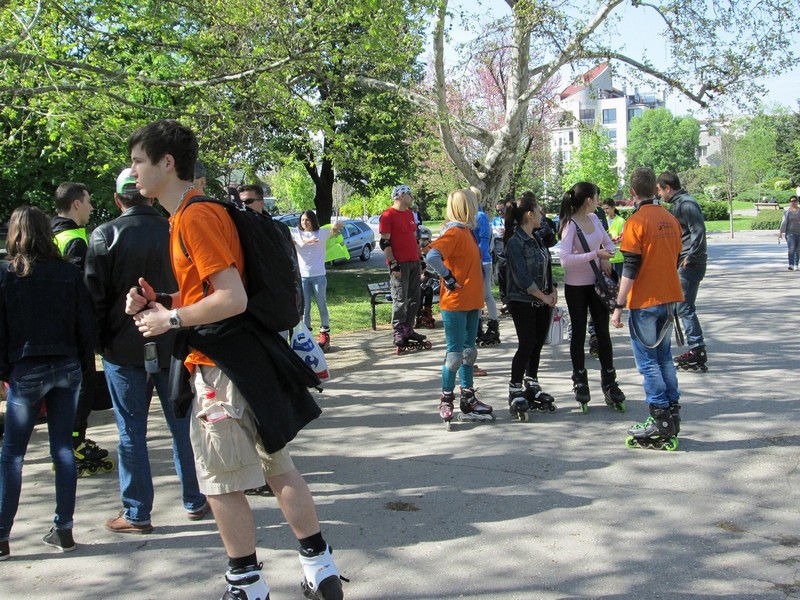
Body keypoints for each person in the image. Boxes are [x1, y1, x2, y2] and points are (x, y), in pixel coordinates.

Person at [124, 119, 342, 600]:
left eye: (139, 161)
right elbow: (211, 293)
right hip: (246, 356)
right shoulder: (196, 213)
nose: (133, 171)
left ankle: (246, 583)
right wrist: (163, 301)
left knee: (221, 482)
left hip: (220, 366)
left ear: (166, 163)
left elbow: (231, 297)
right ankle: (320, 568)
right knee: (277, 465)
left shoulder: (194, 216)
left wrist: (169, 320)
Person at [84, 168, 208, 535]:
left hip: (122, 349)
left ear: (117, 199)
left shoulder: (105, 235)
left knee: (131, 432)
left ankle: (137, 512)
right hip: (171, 340)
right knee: (181, 426)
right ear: (150, 196)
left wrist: (101, 344)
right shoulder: (173, 229)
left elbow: (93, 300)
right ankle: (195, 499)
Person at [0, 206, 95, 560]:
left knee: (13, 455)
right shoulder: (68, 273)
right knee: (63, 449)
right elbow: (85, 325)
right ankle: (64, 529)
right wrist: (82, 364)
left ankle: (2, 535)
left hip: (25, 366)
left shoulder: (7, 274)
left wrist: (6, 371)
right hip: (66, 365)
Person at [612, 168, 683, 449]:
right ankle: (672, 412)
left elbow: (630, 267)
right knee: (664, 358)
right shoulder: (671, 219)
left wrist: (618, 305)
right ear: (655, 189)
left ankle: (659, 417)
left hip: (645, 301)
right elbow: (676, 257)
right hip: (669, 298)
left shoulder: (636, 222)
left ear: (632, 192)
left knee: (648, 362)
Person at [51, 182, 110, 473]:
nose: (91, 207)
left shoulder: (51, 234)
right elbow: (78, 289)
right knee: (83, 385)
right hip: (74, 328)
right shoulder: (74, 238)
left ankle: (67, 441)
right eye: (88, 201)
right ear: (76, 204)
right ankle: (75, 442)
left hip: (55, 327)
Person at [425, 189, 493, 427]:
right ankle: (446, 399)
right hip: (455, 303)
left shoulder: (466, 231)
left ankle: (468, 397)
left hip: (472, 301)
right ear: (467, 207)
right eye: (473, 204)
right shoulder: (454, 232)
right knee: (454, 355)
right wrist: (448, 277)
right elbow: (432, 256)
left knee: (468, 353)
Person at [558, 182, 626, 413]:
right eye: (597, 196)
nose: (599, 200)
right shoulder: (570, 225)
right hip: (576, 287)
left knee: (602, 332)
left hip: (598, 285)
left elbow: (609, 243)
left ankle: (609, 381)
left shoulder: (595, 219)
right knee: (578, 333)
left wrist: (605, 257)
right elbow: (565, 259)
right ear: (589, 199)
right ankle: (580, 380)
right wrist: (595, 254)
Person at [503, 193, 558, 420]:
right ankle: (515, 387)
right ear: (529, 214)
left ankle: (531, 381)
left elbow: (546, 265)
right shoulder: (515, 242)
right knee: (526, 343)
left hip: (542, 300)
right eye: (539, 211)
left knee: (537, 344)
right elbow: (522, 277)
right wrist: (542, 296)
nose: (542, 215)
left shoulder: (537, 238)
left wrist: (552, 290)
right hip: (522, 300)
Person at [656, 171, 708, 372]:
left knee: (684, 307)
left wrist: (691, 257)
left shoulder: (687, 204)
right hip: (685, 261)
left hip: (691, 264)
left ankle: (697, 349)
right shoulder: (680, 204)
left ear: (668, 188)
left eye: (660, 190)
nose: (659, 194)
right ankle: (696, 347)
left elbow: (699, 232)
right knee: (682, 306)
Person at [379, 184, 426, 349]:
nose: (412, 197)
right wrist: (393, 263)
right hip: (399, 263)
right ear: (400, 196)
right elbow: (384, 242)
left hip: (413, 261)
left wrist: (421, 260)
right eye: (409, 194)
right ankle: (398, 329)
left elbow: (414, 239)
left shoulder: (409, 214)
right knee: (400, 298)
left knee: (415, 298)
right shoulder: (388, 215)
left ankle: (408, 328)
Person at [290, 210, 342, 352]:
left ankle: (324, 333)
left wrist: (337, 225)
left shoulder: (322, 233)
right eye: (302, 220)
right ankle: (307, 335)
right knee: (305, 308)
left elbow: (337, 229)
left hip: (319, 275)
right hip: (303, 277)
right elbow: (283, 234)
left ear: (313, 220)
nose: (304, 223)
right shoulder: (296, 233)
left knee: (321, 305)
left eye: (307, 220)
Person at [471, 187, 500, 349]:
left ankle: (493, 325)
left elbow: (483, 240)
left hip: (483, 261)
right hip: (474, 261)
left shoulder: (480, 216)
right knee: (476, 295)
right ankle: (477, 326)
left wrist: (479, 259)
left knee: (486, 294)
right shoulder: (470, 216)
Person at [603, 198, 625, 278]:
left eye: (607, 208)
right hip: (606, 257)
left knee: (618, 281)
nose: (605, 211)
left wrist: (609, 241)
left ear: (613, 207)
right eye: (604, 209)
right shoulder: (603, 220)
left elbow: (623, 236)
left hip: (618, 257)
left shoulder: (621, 220)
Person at [778, 196, 800, 270]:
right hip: (790, 233)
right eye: (791, 201)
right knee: (791, 247)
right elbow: (783, 223)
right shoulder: (787, 212)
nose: (793, 202)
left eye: (794, 201)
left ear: (797, 202)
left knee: (798, 249)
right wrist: (780, 232)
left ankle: (796, 265)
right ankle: (791, 265)